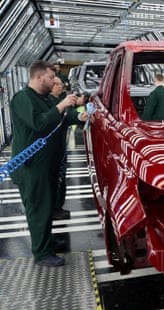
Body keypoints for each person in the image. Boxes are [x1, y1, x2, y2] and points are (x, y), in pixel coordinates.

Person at [10, 60, 88, 267]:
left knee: (47, 206)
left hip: (46, 166)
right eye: (51, 77)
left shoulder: (44, 99)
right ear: (38, 77)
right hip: (31, 167)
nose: (55, 80)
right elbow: (39, 123)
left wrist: (80, 115)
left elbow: (61, 118)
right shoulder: (22, 98)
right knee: (38, 209)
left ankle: (47, 241)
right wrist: (62, 105)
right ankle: (42, 253)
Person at [50, 77, 70, 220]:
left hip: (60, 146)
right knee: (56, 178)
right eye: (56, 84)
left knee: (61, 176)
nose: (60, 87)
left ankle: (58, 206)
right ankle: (55, 208)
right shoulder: (50, 103)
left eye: (60, 84)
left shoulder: (58, 101)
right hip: (53, 149)